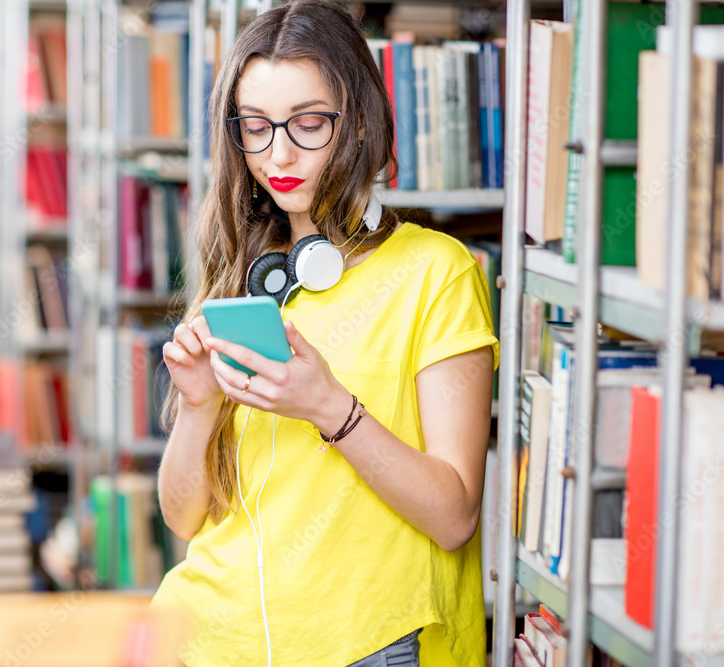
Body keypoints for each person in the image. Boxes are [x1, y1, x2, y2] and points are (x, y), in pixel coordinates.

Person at [149, 1, 499, 665]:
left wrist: (328, 408)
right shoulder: (243, 278)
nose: (277, 153)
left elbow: (454, 517)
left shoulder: (436, 273)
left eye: (309, 124)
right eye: (255, 128)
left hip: (365, 642)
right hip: (207, 636)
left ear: (361, 121)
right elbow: (183, 517)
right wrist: (198, 407)